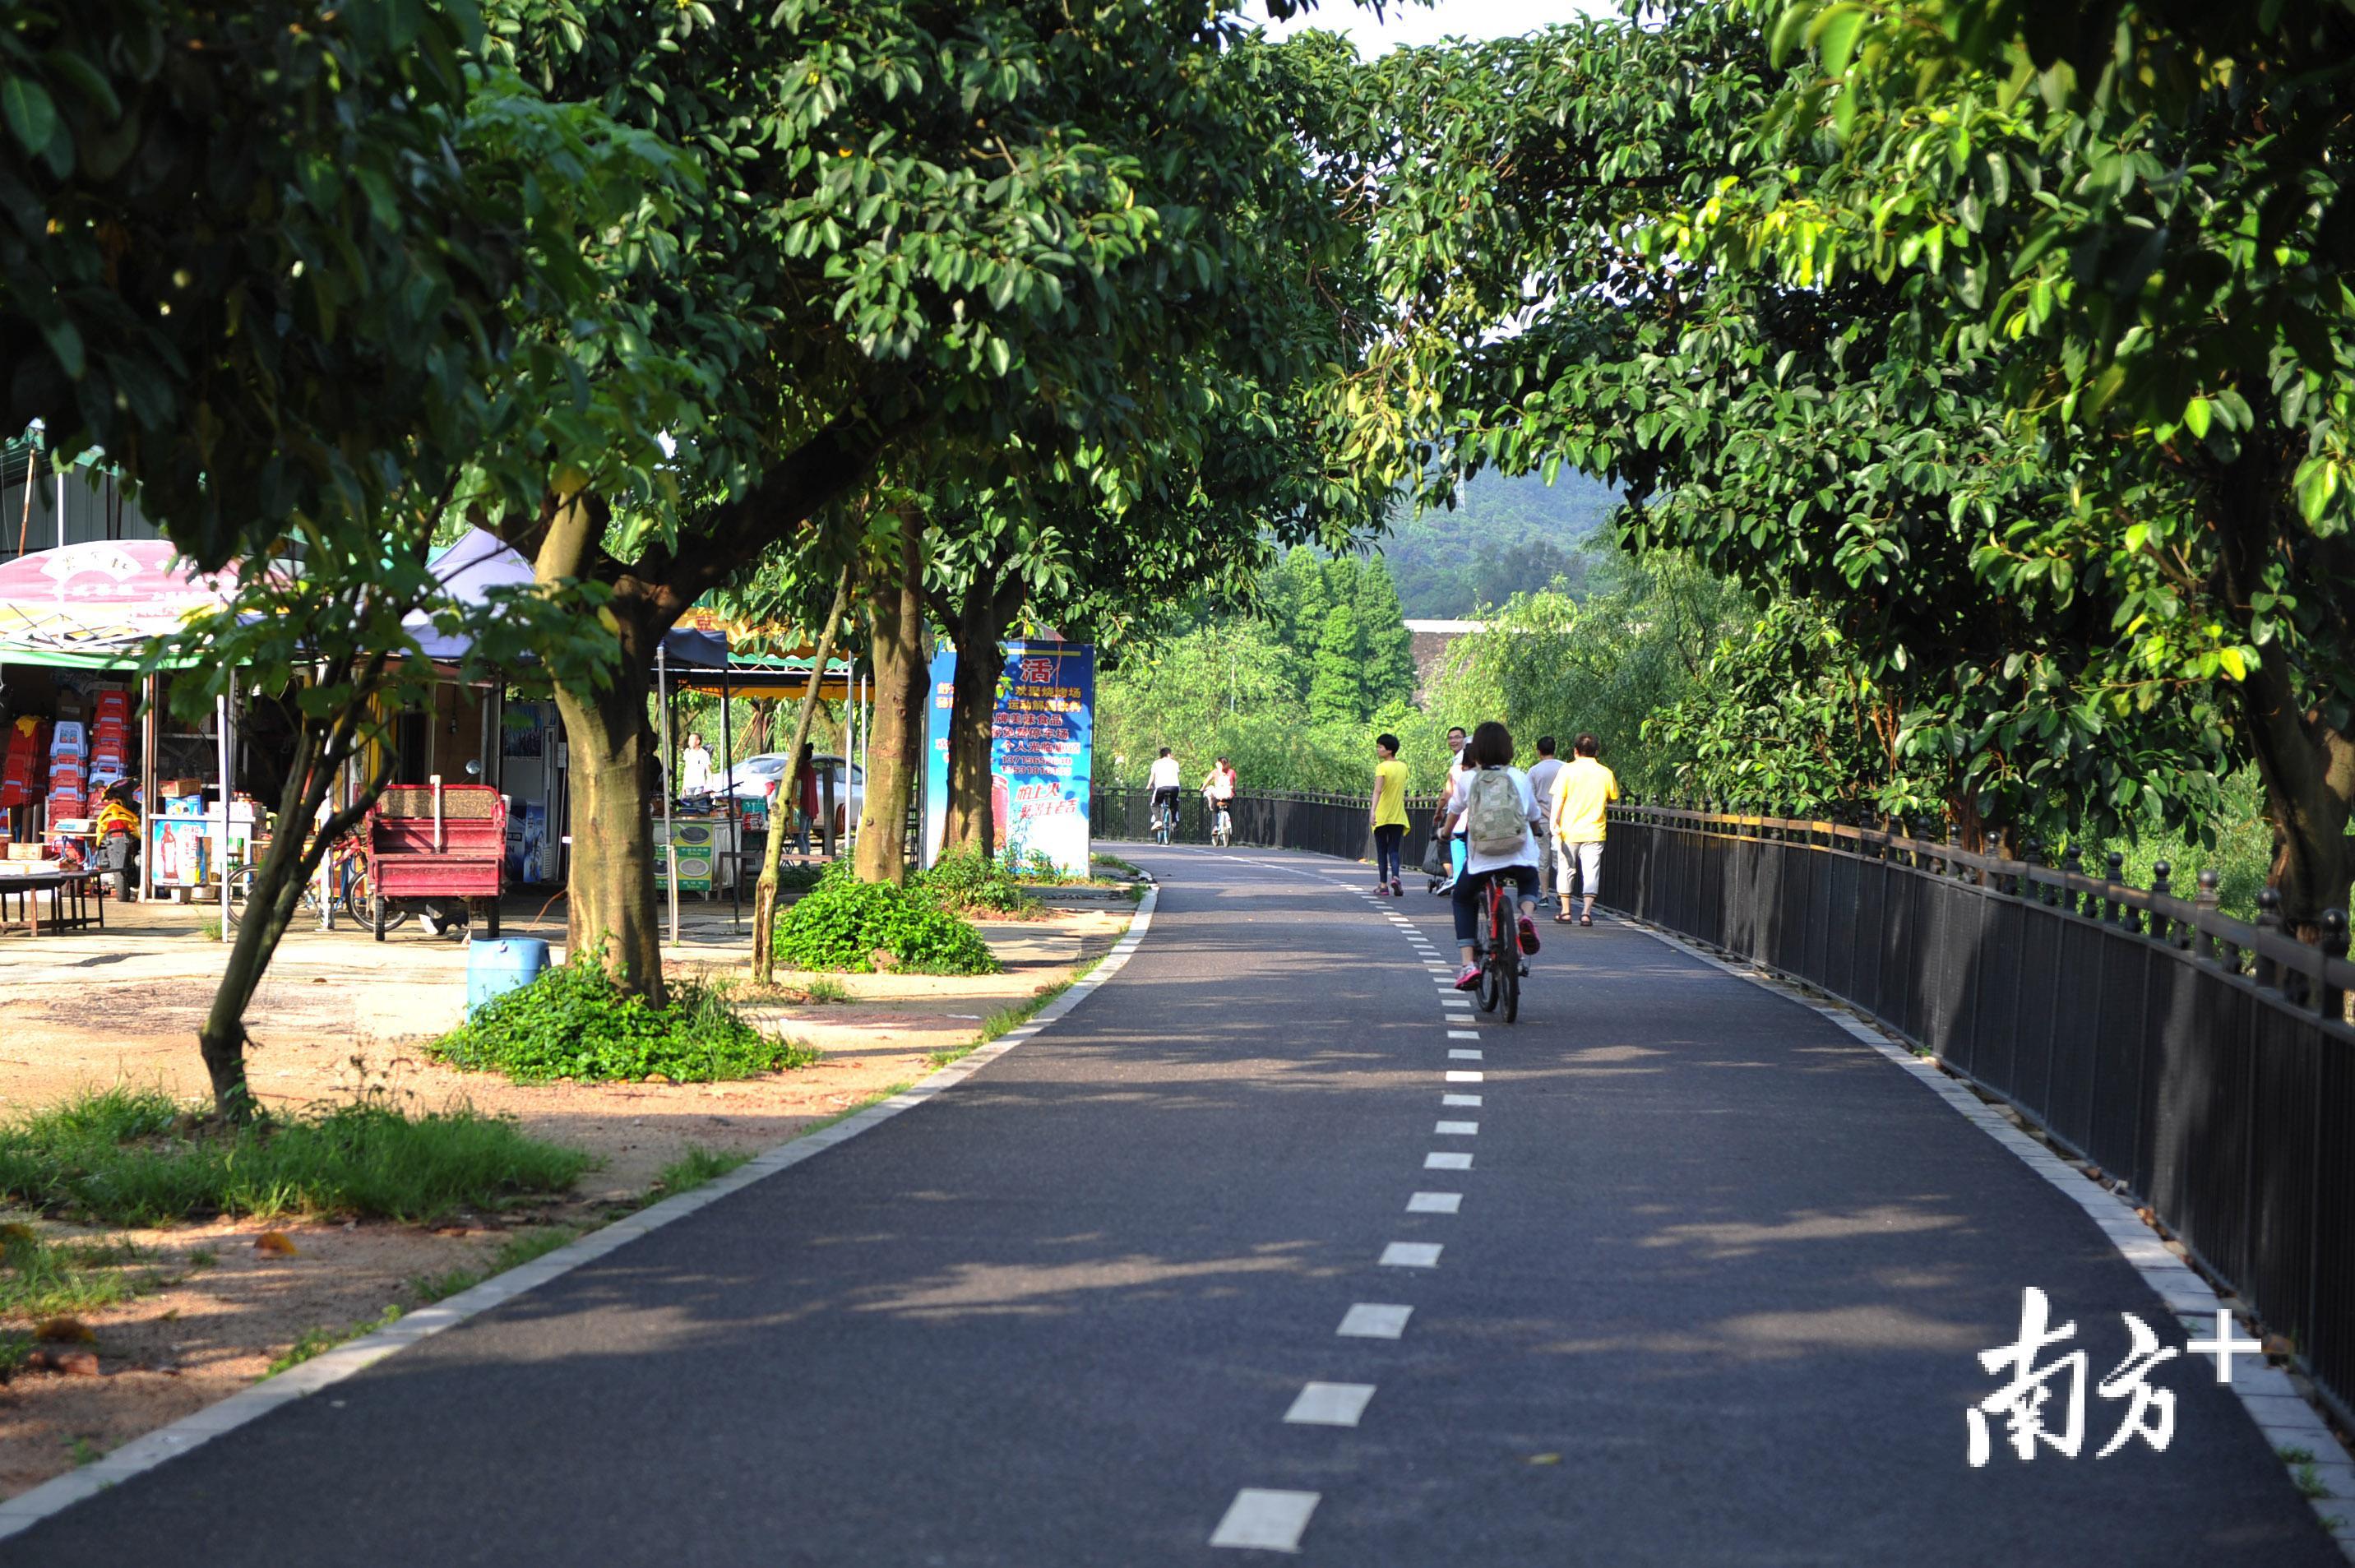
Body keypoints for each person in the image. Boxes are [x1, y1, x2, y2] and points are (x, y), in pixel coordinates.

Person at [1445, 720, 1543, 988]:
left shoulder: (1468, 779)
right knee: (1529, 877)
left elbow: (1454, 812)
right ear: (1508, 749)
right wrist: (1536, 831)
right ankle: (1526, 917)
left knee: (1463, 898)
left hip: (1484, 857)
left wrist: (1444, 833)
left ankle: (1468, 965)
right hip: (1518, 851)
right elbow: (1534, 816)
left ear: (1476, 751)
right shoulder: (1519, 777)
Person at [1551, 732, 1622, 927]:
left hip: (1569, 829)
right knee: (1591, 872)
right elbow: (1613, 797)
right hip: (1595, 830)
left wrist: (1554, 822)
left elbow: (1559, 798)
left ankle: (1565, 912)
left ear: (1575, 751)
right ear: (1597, 751)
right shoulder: (1605, 773)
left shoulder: (1567, 771)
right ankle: (1586, 913)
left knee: (1566, 869)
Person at [1432, 724, 1471, 893]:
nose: (1453, 741)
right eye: (1451, 738)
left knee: (1455, 840)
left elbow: (1449, 795)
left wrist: (1439, 812)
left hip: (1462, 818)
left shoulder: (1457, 769)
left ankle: (1456, 879)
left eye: (1457, 737)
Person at [1525, 736, 1564, 908]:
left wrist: (1547, 814)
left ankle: (1544, 894)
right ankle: (1563, 893)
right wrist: (1555, 815)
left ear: (1538, 751)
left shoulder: (1534, 771)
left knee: (1543, 857)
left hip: (1541, 819)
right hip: (1562, 820)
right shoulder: (1564, 768)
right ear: (1554, 749)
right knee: (1560, 858)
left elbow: (1530, 798)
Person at [1370, 733, 1409, 896]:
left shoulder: (1382, 767)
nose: (1378, 750)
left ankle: (1383, 885)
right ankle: (1396, 877)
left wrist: (1372, 811)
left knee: (1381, 851)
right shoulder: (1403, 767)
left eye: (1381, 747)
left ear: (1389, 750)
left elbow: (1378, 791)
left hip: (1382, 814)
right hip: (1398, 815)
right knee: (1393, 849)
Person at [1147, 747, 1182, 837]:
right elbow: (1177, 776)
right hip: (1174, 787)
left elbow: (1152, 776)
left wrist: (1148, 786)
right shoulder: (1175, 763)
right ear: (1169, 754)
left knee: (1154, 804)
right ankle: (1173, 821)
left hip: (1161, 788)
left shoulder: (1156, 763)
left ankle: (1159, 821)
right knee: (1175, 803)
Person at [1202, 756, 1237, 841]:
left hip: (1219, 797)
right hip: (1229, 797)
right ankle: (1228, 824)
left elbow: (1207, 781)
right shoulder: (1232, 772)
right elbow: (1235, 783)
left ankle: (1215, 827)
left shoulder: (1215, 772)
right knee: (1227, 807)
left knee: (1215, 809)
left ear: (1219, 764)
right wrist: (1233, 790)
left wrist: (1202, 788)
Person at [679, 732, 715, 797]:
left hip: (699, 785)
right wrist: (683, 786)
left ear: (698, 741)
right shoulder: (688, 752)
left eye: (691, 740)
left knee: (697, 803)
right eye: (689, 740)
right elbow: (686, 770)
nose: (689, 742)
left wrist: (710, 786)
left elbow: (708, 771)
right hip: (688, 785)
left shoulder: (704, 754)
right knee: (689, 804)